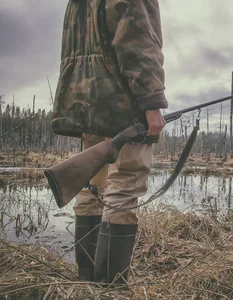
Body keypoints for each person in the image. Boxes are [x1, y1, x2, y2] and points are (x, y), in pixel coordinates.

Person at [51, 0, 167, 284]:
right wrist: (151, 101)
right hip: (121, 99)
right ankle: (111, 286)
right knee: (125, 185)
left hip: (85, 97)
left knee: (92, 186)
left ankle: (88, 280)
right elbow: (138, 39)